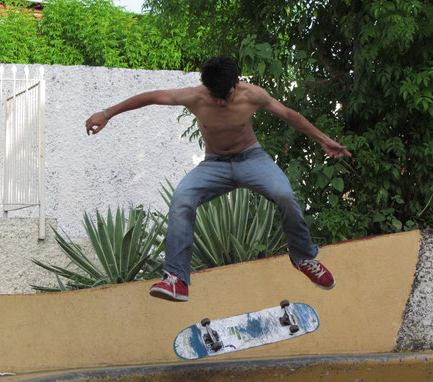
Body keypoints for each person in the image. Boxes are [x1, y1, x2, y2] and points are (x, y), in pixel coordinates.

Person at [85, 54, 351, 302]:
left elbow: (290, 116)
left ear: (237, 83)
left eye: (225, 95)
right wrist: (107, 113)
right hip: (214, 165)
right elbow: (152, 97)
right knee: (182, 198)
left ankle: (304, 258)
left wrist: (325, 141)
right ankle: (176, 278)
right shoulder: (195, 97)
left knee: (284, 194)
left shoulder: (254, 95)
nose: (221, 102)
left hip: (252, 159)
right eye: (215, 96)